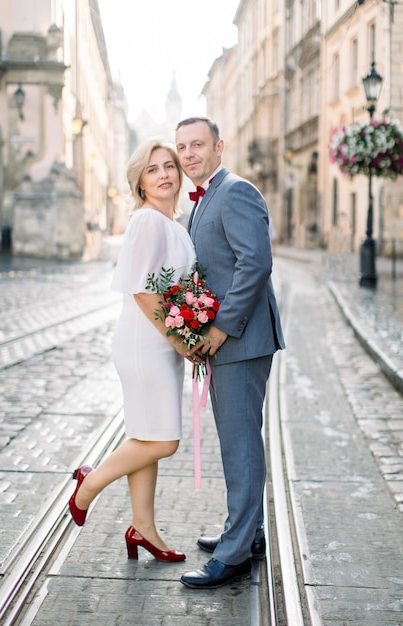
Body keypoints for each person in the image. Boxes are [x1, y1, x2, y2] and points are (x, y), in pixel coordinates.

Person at [68, 138, 197, 562]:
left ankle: (144, 529)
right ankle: (88, 484)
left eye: (169, 167)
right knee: (164, 441)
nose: (163, 175)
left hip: (158, 343)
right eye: (152, 169)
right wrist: (180, 339)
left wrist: (188, 327)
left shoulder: (174, 225)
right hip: (146, 343)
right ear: (140, 182)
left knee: (145, 435)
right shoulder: (146, 221)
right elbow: (143, 290)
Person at [175, 117, 285, 589]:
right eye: (182, 146)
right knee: (238, 440)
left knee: (240, 444)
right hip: (232, 340)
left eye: (197, 144)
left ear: (219, 146)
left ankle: (236, 552)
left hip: (240, 340)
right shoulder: (202, 200)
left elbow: (256, 262)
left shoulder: (236, 190)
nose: (189, 154)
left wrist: (219, 328)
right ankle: (249, 533)